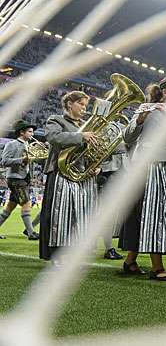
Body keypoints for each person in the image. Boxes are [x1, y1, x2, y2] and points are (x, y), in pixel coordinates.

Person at [119, 76, 166, 281]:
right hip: (148, 166)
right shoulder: (146, 108)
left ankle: (130, 261)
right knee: (152, 213)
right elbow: (128, 137)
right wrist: (141, 119)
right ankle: (157, 267)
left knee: (155, 214)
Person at [39, 91, 99, 263]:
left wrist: (96, 165)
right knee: (60, 216)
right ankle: (57, 255)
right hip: (60, 173)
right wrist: (81, 136)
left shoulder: (86, 125)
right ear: (69, 104)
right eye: (81, 104)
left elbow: (89, 152)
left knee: (77, 217)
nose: (84, 108)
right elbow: (54, 137)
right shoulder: (56, 119)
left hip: (80, 175)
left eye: (85, 105)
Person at [0, 120, 41, 240]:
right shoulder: (12, 144)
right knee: (26, 203)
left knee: (8, 209)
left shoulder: (28, 145)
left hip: (23, 179)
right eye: (30, 132)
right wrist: (21, 160)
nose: (32, 134)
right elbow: (4, 161)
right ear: (21, 132)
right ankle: (30, 232)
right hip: (15, 179)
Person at [96, 121, 127, 260]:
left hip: (121, 171)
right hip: (107, 172)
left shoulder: (121, 124)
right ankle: (108, 248)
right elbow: (104, 147)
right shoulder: (99, 124)